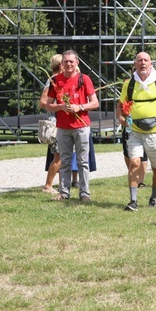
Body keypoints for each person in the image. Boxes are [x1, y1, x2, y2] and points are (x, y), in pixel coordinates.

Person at [116, 52, 156, 211]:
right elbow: (120, 105)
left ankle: (154, 198)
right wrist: (121, 118)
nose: (142, 63)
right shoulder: (129, 84)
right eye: (139, 60)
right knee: (134, 163)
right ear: (135, 64)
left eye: (146, 60)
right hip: (134, 131)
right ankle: (133, 201)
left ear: (151, 64)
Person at [46, 50, 99, 202]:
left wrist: (80, 107)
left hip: (81, 125)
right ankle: (64, 192)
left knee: (83, 161)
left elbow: (95, 103)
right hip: (62, 127)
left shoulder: (85, 79)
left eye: (71, 61)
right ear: (61, 64)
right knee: (65, 160)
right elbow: (48, 105)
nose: (68, 64)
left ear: (77, 63)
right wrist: (60, 107)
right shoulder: (56, 81)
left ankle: (84, 193)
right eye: (66, 61)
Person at [40, 54, 63, 193]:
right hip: (54, 123)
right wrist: (59, 106)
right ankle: (48, 185)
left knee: (62, 155)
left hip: (59, 121)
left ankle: (61, 185)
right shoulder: (52, 82)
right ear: (61, 65)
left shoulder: (58, 81)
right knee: (59, 155)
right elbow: (42, 102)